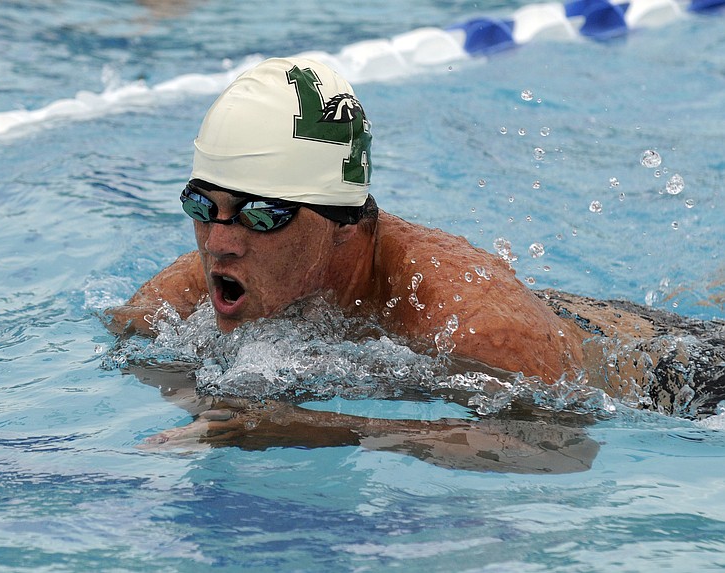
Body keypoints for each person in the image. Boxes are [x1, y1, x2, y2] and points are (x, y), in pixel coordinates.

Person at [106, 56, 724, 422]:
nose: (219, 243)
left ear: (343, 222)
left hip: (672, 375)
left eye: (261, 215)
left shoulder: (481, 332)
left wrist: (322, 427)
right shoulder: (205, 277)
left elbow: (558, 447)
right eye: (202, 206)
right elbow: (134, 339)